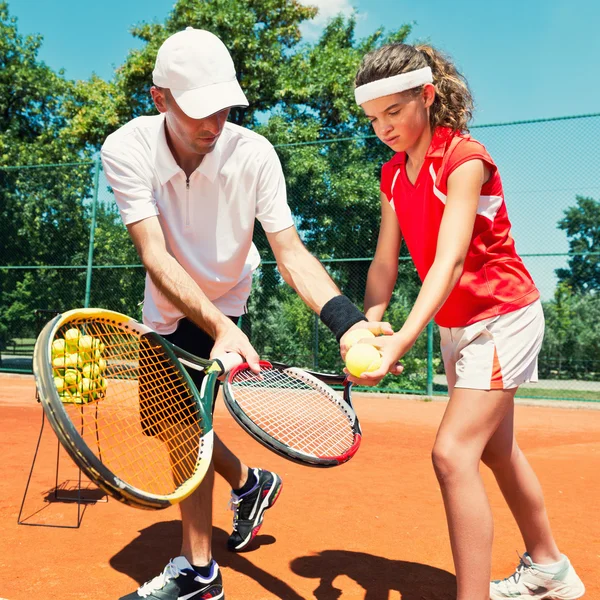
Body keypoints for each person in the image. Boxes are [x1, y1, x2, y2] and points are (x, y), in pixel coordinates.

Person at [101, 27, 389, 600]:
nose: (215, 122)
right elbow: (155, 254)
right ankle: (251, 482)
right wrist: (218, 328)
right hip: (170, 302)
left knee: (187, 427)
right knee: (172, 430)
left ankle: (199, 573)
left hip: (228, 297)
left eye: (224, 106)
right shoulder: (125, 149)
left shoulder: (254, 154)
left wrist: (348, 321)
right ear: (160, 100)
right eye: (199, 109)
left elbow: (291, 254)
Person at [343, 42, 586, 600]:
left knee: (452, 453)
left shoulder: (464, 159)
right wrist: (368, 324)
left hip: (502, 315)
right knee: (496, 451)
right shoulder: (392, 177)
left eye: (394, 112)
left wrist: (401, 341)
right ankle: (550, 568)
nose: (384, 127)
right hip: (458, 323)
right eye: (374, 118)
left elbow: (450, 259)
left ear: (426, 97)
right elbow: (385, 262)